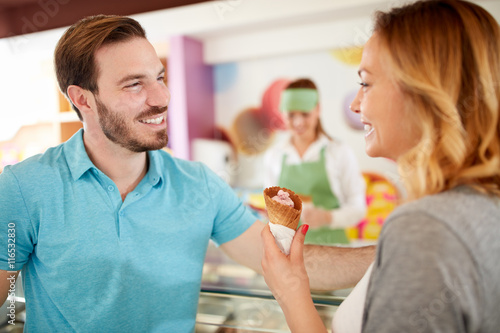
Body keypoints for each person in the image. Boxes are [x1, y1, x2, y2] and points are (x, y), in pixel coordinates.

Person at [0, 15, 266, 332]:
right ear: (82, 98)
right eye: (135, 84)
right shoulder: (22, 188)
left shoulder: (201, 185)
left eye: (160, 78)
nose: (162, 98)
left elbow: (283, 262)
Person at [261, 0, 500, 332]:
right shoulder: (481, 205)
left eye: (365, 83)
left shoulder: (425, 226)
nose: (356, 103)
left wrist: (290, 290)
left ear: (424, 90)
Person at [264, 78, 366, 245]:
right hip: (287, 250)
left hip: (333, 249)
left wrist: (328, 217)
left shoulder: (339, 152)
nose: (298, 122)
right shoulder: (273, 156)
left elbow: (358, 208)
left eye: (305, 114)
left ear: (318, 110)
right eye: (291, 115)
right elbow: (269, 210)